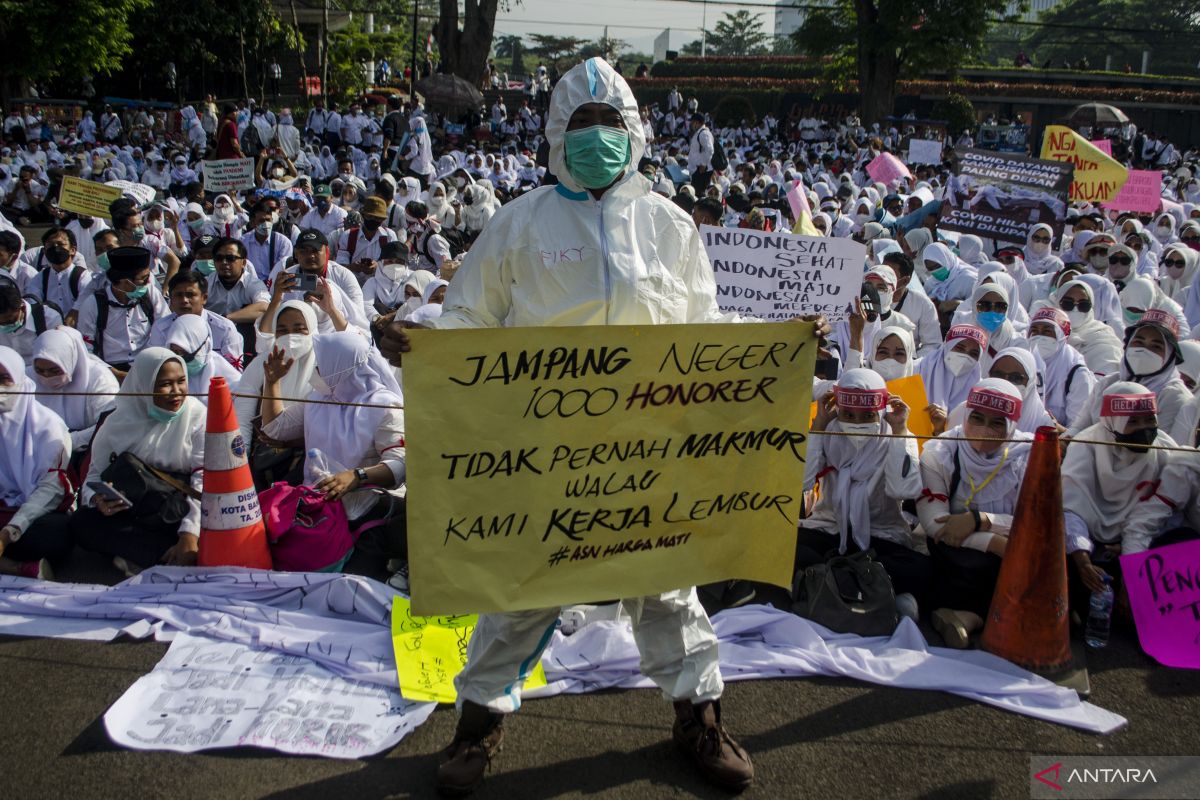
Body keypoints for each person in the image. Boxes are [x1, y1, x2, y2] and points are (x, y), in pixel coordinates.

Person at [379, 57, 757, 797]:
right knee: (526, 592)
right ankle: (478, 725)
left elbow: (704, 326)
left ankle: (698, 720)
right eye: (580, 124)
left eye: (607, 123)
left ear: (633, 132)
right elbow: (468, 318)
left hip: (648, 448)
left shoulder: (668, 225)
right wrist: (424, 341)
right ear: (555, 134)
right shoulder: (520, 223)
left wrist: (771, 351)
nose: (594, 138)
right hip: (549, 452)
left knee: (669, 590)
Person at [258, 331, 405, 566]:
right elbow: (276, 429)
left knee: (360, 584)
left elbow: (400, 466)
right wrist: (272, 382)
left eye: (321, 363)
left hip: (368, 508)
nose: (316, 369)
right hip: (318, 507)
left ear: (341, 366)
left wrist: (356, 477)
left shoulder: (386, 406)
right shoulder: (321, 398)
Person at [800, 368, 928, 616]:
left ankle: (832, 584)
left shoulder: (896, 435)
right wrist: (818, 426)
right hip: (831, 528)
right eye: (848, 414)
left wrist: (900, 430)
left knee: (919, 569)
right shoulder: (828, 432)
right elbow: (803, 482)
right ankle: (872, 588)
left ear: (880, 412)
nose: (856, 423)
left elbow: (904, 489)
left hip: (881, 534)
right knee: (791, 550)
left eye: (867, 415)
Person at [918, 378, 1032, 648]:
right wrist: (996, 544)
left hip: (1014, 544)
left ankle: (970, 617)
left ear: (1012, 426)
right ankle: (980, 616)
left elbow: (1037, 523)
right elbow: (936, 524)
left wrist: (980, 521)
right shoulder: (940, 452)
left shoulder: (1029, 455)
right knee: (970, 566)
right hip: (957, 547)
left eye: (997, 423)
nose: (983, 430)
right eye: (977, 418)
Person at [71, 348, 205, 574]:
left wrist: (189, 533)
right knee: (82, 522)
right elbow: (93, 476)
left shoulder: (197, 416)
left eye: (181, 381)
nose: (176, 392)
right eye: (165, 384)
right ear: (143, 385)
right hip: (135, 512)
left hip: (181, 513)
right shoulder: (116, 421)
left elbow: (204, 479)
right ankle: (164, 560)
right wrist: (98, 499)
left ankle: (159, 557)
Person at [1063, 384, 1181, 614]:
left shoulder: (1165, 452)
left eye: (1149, 420)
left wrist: (1132, 546)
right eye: (1133, 422)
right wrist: (1082, 560)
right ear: (1113, 423)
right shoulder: (1087, 446)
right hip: (1084, 547)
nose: (1144, 429)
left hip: (1139, 543)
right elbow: (1070, 508)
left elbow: (1173, 512)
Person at [0, 345, 73, 579]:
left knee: (55, 534)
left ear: (20, 381)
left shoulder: (48, 425)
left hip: (33, 515)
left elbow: (51, 488)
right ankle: (15, 568)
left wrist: (9, 531)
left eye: (4, 379)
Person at [1067, 309, 1190, 438]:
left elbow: (1160, 447)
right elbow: (1080, 426)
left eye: (1156, 346)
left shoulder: (1174, 396)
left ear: (1170, 357)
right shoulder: (1108, 383)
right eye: (1138, 342)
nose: (1144, 350)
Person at [75, 246, 169, 377]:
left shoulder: (150, 294)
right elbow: (85, 349)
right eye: (144, 278)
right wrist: (114, 373)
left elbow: (166, 328)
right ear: (125, 281)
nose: (148, 282)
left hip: (148, 365)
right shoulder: (93, 304)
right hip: (109, 371)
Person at [28, 327, 118, 451]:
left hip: (86, 450)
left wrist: (67, 441)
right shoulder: (27, 377)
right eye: (40, 370)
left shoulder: (99, 378)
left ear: (69, 361)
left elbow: (108, 424)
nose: (46, 376)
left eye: (55, 370)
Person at [147, 269, 243, 368]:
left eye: (190, 295)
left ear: (204, 298)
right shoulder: (160, 328)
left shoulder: (224, 328)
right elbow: (155, 366)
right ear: (171, 299)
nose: (184, 300)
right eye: (178, 295)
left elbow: (234, 371)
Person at [1028, 307, 1093, 429]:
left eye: (1047, 332)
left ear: (1062, 336)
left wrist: (1053, 427)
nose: (1039, 337)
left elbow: (1078, 432)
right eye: (1034, 331)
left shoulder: (1077, 373)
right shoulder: (1025, 362)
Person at [1055, 279, 1123, 378]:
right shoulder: (1047, 331)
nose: (1075, 309)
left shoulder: (1103, 337)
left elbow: (1106, 378)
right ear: (1057, 303)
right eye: (1068, 303)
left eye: (1083, 305)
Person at [0, 280, 63, 365]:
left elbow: (57, 357)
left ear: (22, 308)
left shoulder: (49, 319)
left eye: (9, 321)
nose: (4, 326)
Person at [241, 199, 294, 281]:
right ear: (252, 223)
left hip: (275, 284)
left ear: (272, 221)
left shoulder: (283, 242)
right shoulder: (243, 242)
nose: (266, 224)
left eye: (268, 220)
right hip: (250, 285)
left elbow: (283, 270)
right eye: (261, 221)